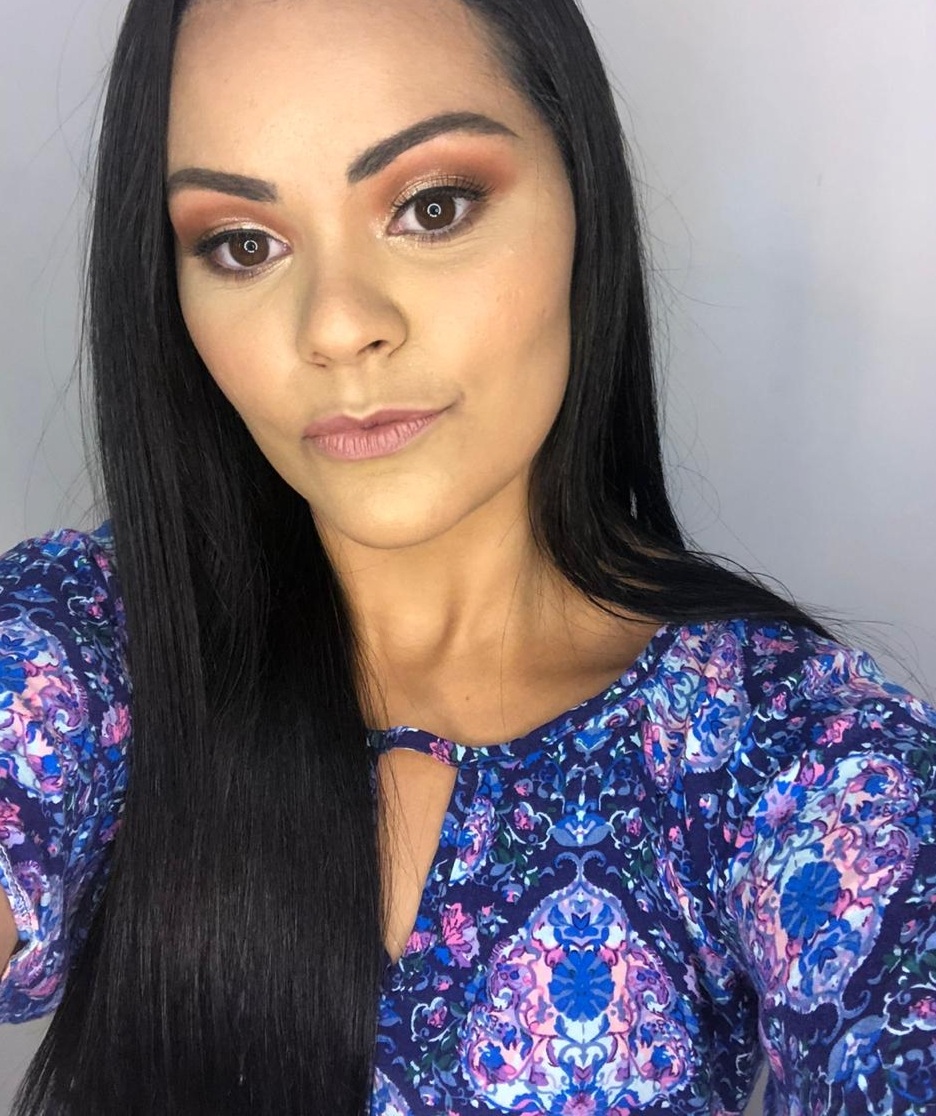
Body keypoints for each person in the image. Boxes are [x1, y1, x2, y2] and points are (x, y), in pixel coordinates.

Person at [0, 0, 934, 1112]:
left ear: (581, 195)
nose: (337, 326)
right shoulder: (93, 639)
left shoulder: (790, 753)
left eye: (432, 206)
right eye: (244, 244)